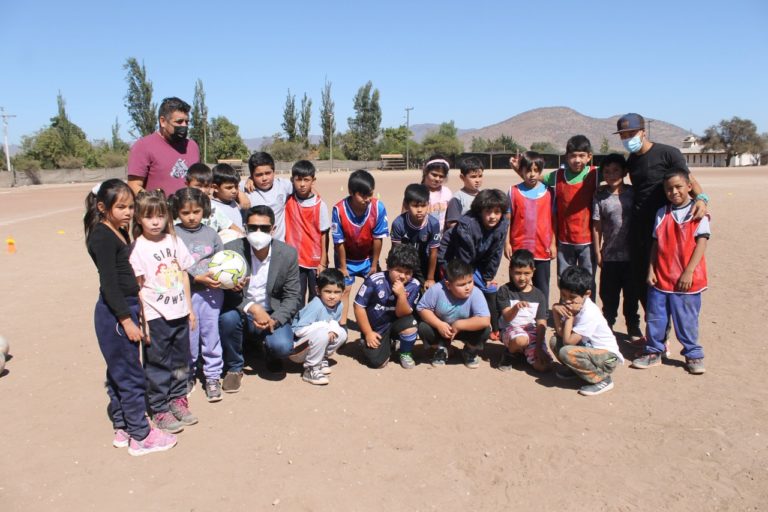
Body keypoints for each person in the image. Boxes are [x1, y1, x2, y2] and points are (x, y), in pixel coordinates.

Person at [84, 179, 176, 456]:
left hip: (125, 308)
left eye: (130, 206)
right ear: (102, 207)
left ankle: (123, 425)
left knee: (119, 372)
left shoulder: (118, 230)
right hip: (115, 313)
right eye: (121, 207)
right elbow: (109, 283)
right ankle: (141, 435)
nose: (128, 212)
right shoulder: (102, 235)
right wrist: (126, 321)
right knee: (131, 375)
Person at [614, 113, 709, 318]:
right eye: (624, 135)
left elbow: (689, 180)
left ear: (643, 132)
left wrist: (701, 199)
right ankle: (654, 332)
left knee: (664, 279)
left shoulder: (668, 153)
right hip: (640, 229)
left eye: (632, 133)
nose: (628, 138)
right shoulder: (632, 160)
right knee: (642, 280)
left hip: (666, 228)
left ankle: (664, 334)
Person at [129, 190, 198, 433]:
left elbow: (183, 275)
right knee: (158, 363)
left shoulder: (174, 241)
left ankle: (178, 399)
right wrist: (143, 320)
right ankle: (159, 407)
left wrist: (189, 308)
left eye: (160, 216)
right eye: (149, 217)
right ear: (138, 218)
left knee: (180, 360)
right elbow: (138, 287)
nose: (156, 222)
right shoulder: (137, 248)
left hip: (179, 311)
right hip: (156, 315)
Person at [630, 170, 709, 375]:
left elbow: (701, 243)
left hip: (687, 280)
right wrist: (651, 269)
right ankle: (654, 351)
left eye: (678, 187)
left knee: (686, 319)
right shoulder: (661, 213)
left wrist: (688, 271)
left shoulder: (698, 212)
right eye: (669, 188)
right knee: (655, 317)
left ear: (689, 187)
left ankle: (693, 354)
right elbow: (655, 245)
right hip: (661, 277)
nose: (673, 192)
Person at [218, 205, 301, 392]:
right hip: (242, 310)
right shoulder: (232, 250)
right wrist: (253, 308)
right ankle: (234, 367)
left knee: (281, 346)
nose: (258, 232)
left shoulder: (287, 254)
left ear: (273, 229)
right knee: (227, 318)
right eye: (252, 227)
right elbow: (225, 293)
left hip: (273, 311)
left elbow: (293, 295)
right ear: (245, 228)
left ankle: (270, 353)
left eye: (264, 228)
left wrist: (275, 319)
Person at [170, 188, 225, 402]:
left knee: (211, 335)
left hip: (211, 295)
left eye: (196, 211)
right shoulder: (172, 234)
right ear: (177, 212)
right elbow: (172, 266)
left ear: (205, 210)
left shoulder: (211, 234)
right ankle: (188, 374)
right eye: (185, 212)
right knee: (190, 338)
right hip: (186, 296)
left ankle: (212, 376)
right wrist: (195, 278)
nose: (192, 217)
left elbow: (223, 261)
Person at [439, 188, 510, 338]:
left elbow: (496, 253)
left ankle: (496, 327)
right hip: (452, 258)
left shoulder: (503, 224)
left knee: (489, 288)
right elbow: (464, 256)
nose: (493, 217)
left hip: (477, 258)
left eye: (497, 212)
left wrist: (488, 276)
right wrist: (471, 279)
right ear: (479, 211)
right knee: (463, 288)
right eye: (488, 212)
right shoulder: (467, 225)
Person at [550, 266, 623, 396]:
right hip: (588, 351)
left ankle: (602, 379)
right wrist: (555, 310)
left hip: (608, 359)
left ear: (587, 294)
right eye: (563, 295)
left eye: (572, 297)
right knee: (555, 341)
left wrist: (570, 317)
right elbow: (561, 334)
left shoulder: (589, 312)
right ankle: (578, 371)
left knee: (566, 351)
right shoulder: (573, 305)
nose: (566, 300)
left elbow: (568, 341)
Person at [538, 135, 599, 286]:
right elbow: (534, 178)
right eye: (573, 156)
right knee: (564, 279)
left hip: (588, 241)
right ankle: (565, 307)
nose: (577, 160)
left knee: (588, 280)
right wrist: (519, 169)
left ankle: (586, 308)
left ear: (589, 156)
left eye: (581, 156)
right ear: (566, 157)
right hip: (564, 240)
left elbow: (616, 175)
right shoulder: (558, 176)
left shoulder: (595, 174)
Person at [591, 153, 640, 339]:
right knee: (609, 295)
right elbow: (597, 226)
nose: (611, 175)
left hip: (632, 256)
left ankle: (633, 326)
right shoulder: (600, 196)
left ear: (625, 171)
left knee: (631, 295)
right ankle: (608, 325)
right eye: (607, 172)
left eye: (616, 171)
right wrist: (598, 251)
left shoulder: (633, 193)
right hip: (610, 255)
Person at [331, 169, 389, 325]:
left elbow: (378, 238)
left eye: (370, 194)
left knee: (377, 289)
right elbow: (339, 242)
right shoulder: (339, 210)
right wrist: (343, 267)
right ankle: (342, 325)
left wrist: (374, 264)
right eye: (363, 195)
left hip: (368, 258)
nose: (368, 199)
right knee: (345, 291)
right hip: (346, 258)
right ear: (351, 192)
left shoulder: (378, 208)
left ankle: (376, 324)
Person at [353, 245, 421, 369]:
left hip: (396, 323)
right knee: (378, 363)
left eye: (408, 273)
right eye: (399, 270)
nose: (402, 276)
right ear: (389, 266)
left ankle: (405, 353)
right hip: (376, 328)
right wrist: (368, 333)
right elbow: (358, 307)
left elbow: (403, 313)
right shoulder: (374, 281)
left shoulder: (414, 285)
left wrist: (401, 296)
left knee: (411, 324)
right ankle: (368, 342)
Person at [416, 259, 491, 369]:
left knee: (485, 330)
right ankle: (441, 349)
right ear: (448, 284)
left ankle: (469, 351)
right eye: (461, 284)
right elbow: (422, 308)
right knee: (423, 327)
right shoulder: (437, 290)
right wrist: (438, 324)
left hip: (465, 329)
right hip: (442, 330)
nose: (468, 287)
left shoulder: (476, 293)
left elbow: (485, 319)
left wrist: (459, 325)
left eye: (470, 282)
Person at [504, 151, 556, 304]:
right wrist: (506, 243)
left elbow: (554, 221)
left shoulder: (549, 192)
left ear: (541, 171)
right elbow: (508, 220)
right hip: (519, 247)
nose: (532, 174)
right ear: (522, 170)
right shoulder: (513, 191)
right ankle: (516, 317)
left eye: (536, 171)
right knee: (517, 284)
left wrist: (553, 243)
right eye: (528, 170)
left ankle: (541, 317)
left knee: (542, 285)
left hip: (542, 248)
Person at [126, 97, 199, 196]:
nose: (184, 126)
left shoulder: (192, 146)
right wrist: (154, 204)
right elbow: (134, 185)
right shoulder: (143, 146)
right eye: (179, 122)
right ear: (163, 121)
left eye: (187, 122)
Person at [284, 160, 331, 307]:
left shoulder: (320, 205)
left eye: (306, 180)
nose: (302, 184)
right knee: (296, 296)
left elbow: (324, 234)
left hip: (314, 260)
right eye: (298, 180)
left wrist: (323, 261)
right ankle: (297, 327)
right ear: (292, 180)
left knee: (315, 296)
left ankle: (313, 327)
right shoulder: (288, 200)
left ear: (313, 180)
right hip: (294, 259)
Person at [496, 250, 551, 373]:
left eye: (527, 273)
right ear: (510, 271)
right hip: (511, 329)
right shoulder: (505, 290)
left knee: (543, 366)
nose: (522, 278)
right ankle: (509, 354)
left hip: (531, 332)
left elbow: (541, 323)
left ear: (533, 272)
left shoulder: (539, 295)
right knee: (521, 340)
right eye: (517, 273)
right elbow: (507, 318)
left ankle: (524, 352)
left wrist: (538, 347)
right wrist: (516, 308)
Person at [291, 269, 347, 385]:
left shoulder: (339, 305)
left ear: (343, 292)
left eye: (337, 292)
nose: (332, 296)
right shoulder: (316, 305)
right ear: (318, 290)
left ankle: (321, 359)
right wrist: (325, 326)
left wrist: (331, 328)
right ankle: (311, 369)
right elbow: (298, 331)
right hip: (297, 349)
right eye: (328, 291)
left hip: (313, 342)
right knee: (323, 332)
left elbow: (333, 323)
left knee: (341, 333)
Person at [390, 184, 441, 288]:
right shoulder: (398, 224)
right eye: (415, 206)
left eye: (423, 206)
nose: (419, 210)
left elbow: (433, 252)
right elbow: (396, 251)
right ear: (406, 205)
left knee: (428, 290)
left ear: (428, 204)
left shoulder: (433, 224)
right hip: (404, 262)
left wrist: (430, 278)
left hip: (424, 262)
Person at [241, 152, 293, 241]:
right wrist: (240, 194)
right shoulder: (244, 188)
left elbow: (307, 189)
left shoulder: (284, 185)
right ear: (252, 175)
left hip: (278, 243)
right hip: (253, 244)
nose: (264, 178)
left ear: (274, 171)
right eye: (259, 175)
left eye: (268, 173)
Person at [185, 163, 241, 237]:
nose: (203, 190)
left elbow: (232, 227)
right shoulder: (179, 206)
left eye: (206, 186)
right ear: (187, 184)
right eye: (198, 186)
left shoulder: (213, 209)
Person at [445, 156, 484, 230]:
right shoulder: (457, 198)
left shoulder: (484, 195)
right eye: (473, 177)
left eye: (480, 176)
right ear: (462, 177)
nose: (477, 180)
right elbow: (452, 224)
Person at [210, 163, 245, 237]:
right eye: (229, 188)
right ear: (215, 187)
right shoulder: (212, 207)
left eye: (236, 187)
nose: (234, 191)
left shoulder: (235, 202)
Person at [421, 155, 453, 230]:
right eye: (434, 175)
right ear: (425, 171)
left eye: (441, 176)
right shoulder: (416, 192)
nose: (437, 179)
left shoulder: (447, 193)